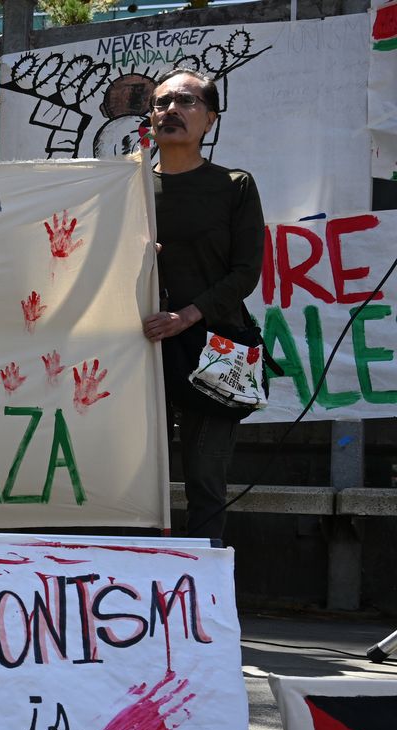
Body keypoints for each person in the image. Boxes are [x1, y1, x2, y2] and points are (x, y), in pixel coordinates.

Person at [141, 69, 265, 543]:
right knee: (130, 478)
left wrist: (186, 316)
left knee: (206, 484)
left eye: (186, 102)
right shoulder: (126, 187)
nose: (170, 110)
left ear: (210, 120)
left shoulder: (234, 186)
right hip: (139, 349)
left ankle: (202, 603)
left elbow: (244, 274)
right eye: (161, 102)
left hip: (214, 351)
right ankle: (133, 594)